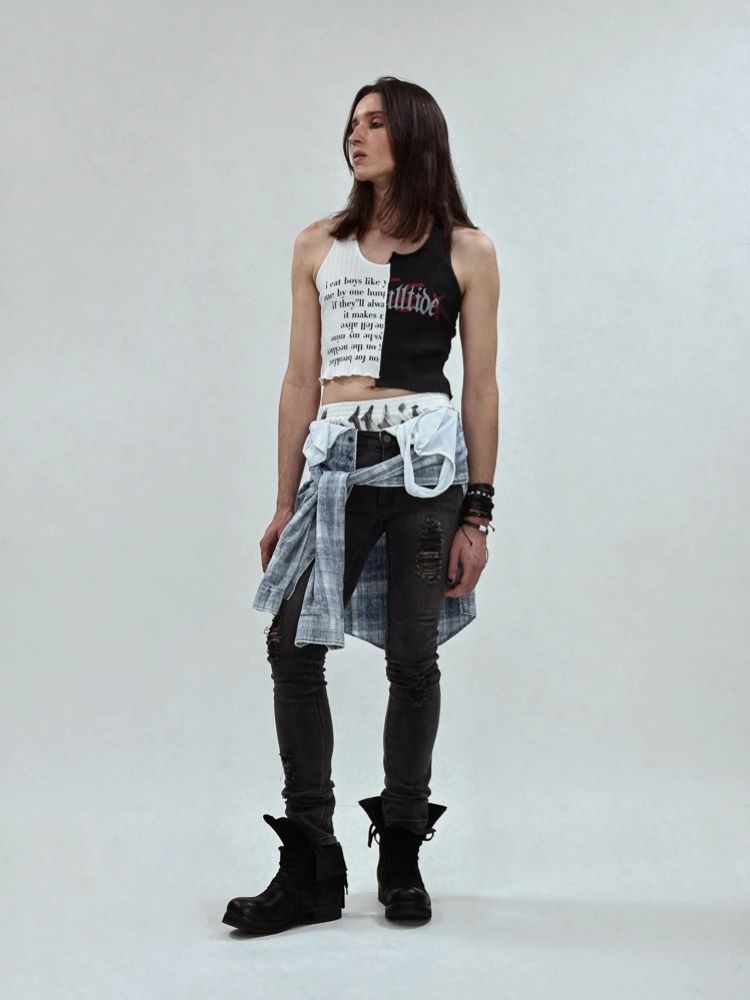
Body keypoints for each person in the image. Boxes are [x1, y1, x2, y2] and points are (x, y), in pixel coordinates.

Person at [223, 75, 499, 935]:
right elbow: (299, 379)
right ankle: (312, 858)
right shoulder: (319, 244)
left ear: (413, 134)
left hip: (424, 475)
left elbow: (480, 389)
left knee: (413, 660)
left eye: (376, 123)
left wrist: (478, 514)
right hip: (335, 467)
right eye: (352, 123)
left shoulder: (465, 251)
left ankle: (403, 850)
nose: (357, 136)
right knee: (291, 643)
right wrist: (283, 501)